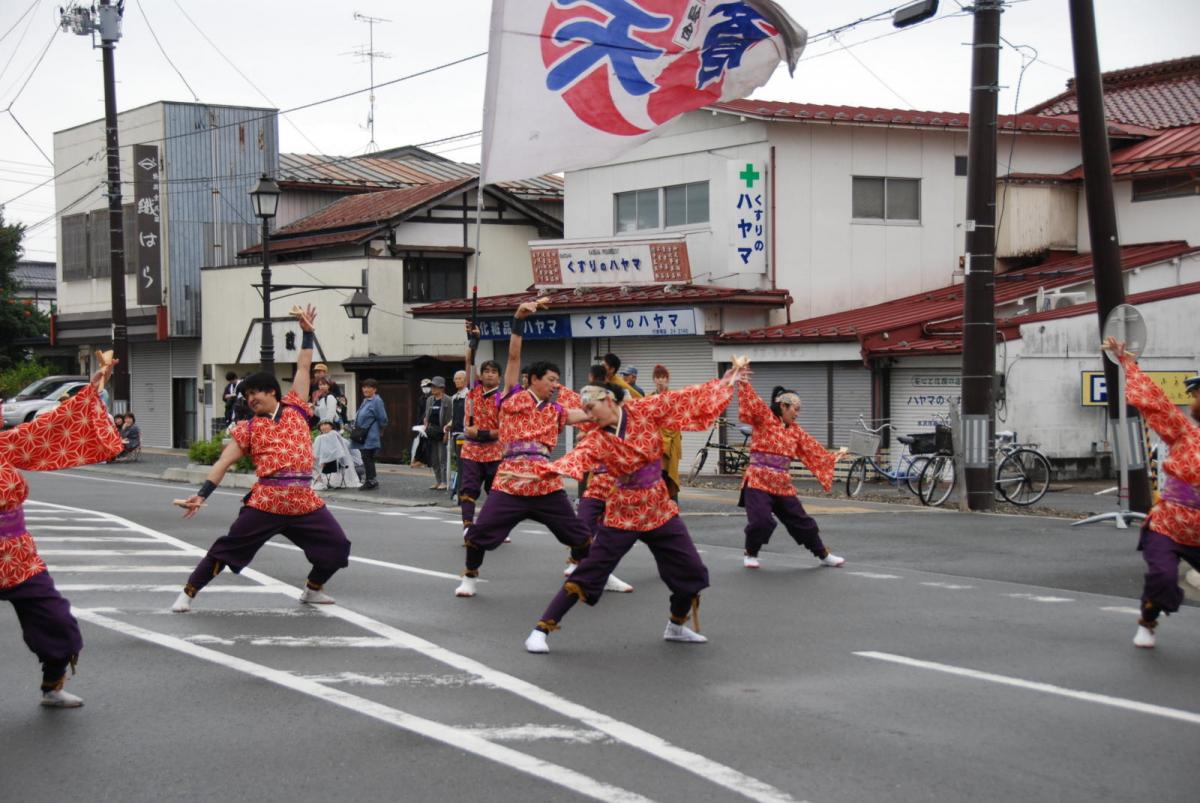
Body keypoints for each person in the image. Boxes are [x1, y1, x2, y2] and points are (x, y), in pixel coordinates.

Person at [517, 363, 749, 654]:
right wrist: (542, 472)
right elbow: (574, 460)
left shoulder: (644, 410)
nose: (587, 415)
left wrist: (726, 382)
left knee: (691, 570)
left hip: (659, 508)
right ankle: (541, 630)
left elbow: (685, 398)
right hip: (624, 513)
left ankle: (676, 625)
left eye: (591, 408)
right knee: (590, 570)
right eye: (584, 410)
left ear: (609, 401)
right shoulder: (597, 439)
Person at [172, 306, 352, 614]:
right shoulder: (248, 428)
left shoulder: (295, 407)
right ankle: (188, 593)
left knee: (337, 547)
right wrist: (202, 495)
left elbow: (305, 367)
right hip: (266, 501)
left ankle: (312, 590)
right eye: (247, 395)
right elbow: (223, 463)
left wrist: (308, 333)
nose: (251, 398)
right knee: (227, 548)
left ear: (272, 392)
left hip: (303, 501)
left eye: (256, 392)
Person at [455, 300, 624, 598]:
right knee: (478, 535)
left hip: (545, 483)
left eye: (558, 381)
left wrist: (615, 406)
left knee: (581, 535)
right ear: (533, 379)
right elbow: (514, 355)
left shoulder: (556, 410)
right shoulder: (512, 398)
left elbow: (585, 415)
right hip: (510, 482)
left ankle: (601, 573)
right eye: (551, 380)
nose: (556, 386)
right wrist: (518, 321)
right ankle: (469, 577)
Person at [1, 358, 122, 706]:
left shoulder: (5, 446)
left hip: (18, 558)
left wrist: (95, 385)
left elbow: (56, 424)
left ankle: (52, 686)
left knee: (55, 620)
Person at [1103, 337, 1200, 649]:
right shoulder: (1184, 433)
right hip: (1169, 526)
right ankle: (1147, 621)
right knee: (1162, 577)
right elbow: (1157, 404)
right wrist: (1129, 365)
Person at [736, 381, 848, 570]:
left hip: (782, 485)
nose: (797, 413)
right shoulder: (764, 419)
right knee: (761, 521)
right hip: (758, 481)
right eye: (795, 409)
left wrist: (835, 457)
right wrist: (743, 379)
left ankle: (823, 554)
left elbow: (814, 451)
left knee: (803, 522)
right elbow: (752, 402)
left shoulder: (796, 431)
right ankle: (751, 553)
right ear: (783, 406)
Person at [459, 326, 503, 531]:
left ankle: (495, 527)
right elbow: (469, 362)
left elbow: (504, 430)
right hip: (471, 449)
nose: (489, 375)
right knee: (468, 488)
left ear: (499, 377)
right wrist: (473, 342)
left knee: (496, 491)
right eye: (486, 371)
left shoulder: (504, 398)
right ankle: (468, 525)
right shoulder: (473, 391)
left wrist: (482, 433)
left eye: (493, 372)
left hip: (494, 449)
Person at [652, 365, 683, 501]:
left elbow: (676, 423)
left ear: (667, 379)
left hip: (669, 446)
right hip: (653, 447)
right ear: (654, 380)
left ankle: (672, 511)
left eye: (663, 377)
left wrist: (662, 439)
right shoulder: (650, 398)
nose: (660, 380)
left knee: (669, 478)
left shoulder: (674, 398)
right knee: (655, 479)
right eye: (657, 377)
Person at [352, 379, 388, 491]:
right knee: (367, 457)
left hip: (370, 435)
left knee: (367, 457)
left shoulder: (377, 401)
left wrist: (380, 430)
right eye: (364, 387)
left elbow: (383, 418)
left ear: (374, 389)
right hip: (364, 434)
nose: (365, 389)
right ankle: (371, 480)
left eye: (369, 387)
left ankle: (371, 481)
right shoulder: (366, 400)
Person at [312, 419, 361, 491]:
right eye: (321, 425)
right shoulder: (320, 438)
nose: (323, 427)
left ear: (331, 426)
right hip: (331, 464)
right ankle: (321, 479)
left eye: (326, 424)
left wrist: (323, 460)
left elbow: (336, 453)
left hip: (344, 464)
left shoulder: (333, 435)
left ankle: (322, 480)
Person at [424, 376, 452, 491]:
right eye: (432, 386)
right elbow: (427, 415)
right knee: (434, 458)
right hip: (431, 432)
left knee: (442, 458)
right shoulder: (430, 400)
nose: (433, 389)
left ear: (442, 388)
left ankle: (445, 482)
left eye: (435, 386)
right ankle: (438, 481)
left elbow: (450, 417)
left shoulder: (448, 400)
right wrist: (425, 423)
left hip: (442, 432)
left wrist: (446, 433)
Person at [411, 378, 433, 467]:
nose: (426, 388)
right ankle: (419, 460)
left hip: (431, 424)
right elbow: (419, 413)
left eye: (428, 386)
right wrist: (419, 424)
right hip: (421, 424)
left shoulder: (433, 397)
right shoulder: (421, 398)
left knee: (429, 443)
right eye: (424, 386)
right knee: (421, 442)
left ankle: (429, 462)